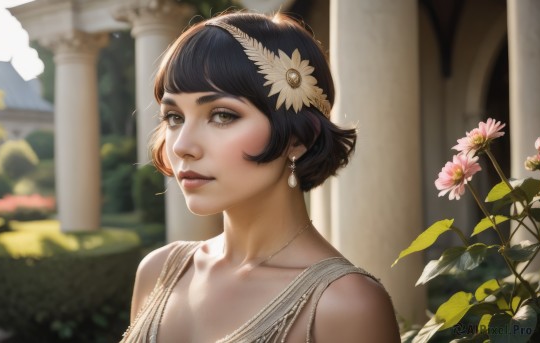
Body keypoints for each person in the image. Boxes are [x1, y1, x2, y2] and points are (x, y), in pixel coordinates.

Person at [121, 11, 400, 343]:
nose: (182, 146)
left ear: (299, 137)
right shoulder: (158, 272)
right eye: (174, 117)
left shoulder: (345, 306)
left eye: (222, 115)